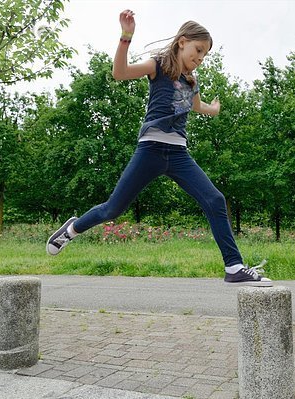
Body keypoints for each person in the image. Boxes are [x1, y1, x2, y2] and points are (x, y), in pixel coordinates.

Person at [46, 9, 271, 287]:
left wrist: (212, 110)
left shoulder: (192, 80)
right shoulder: (158, 66)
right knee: (113, 209)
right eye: (197, 50)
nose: (199, 59)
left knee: (214, 200)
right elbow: (120, 73)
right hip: (150, 149)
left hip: (178, 154)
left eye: (204, 56)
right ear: (182, 42)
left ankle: (234, 267)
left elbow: (197, 105)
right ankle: (72, 229)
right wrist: (125, 37)